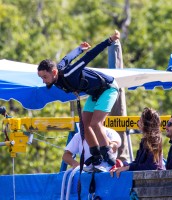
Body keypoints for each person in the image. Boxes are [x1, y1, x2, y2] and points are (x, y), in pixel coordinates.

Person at [37, 30, 120, 168]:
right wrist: (79, 49)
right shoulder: (56, 75)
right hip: (94, 93)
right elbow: (66, 58)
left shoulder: (69, 73)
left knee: (95, 123)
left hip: (108, 88)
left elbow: (89, 56)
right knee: (84, 125)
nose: (43, 81)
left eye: (45, 77)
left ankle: (107, 152)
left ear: (54, 72)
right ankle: (96, 155)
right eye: (41, 78)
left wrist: (109, 41)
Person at [110, 107, 164, 178]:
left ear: (146, 124)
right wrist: (124, 165)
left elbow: (151, 166)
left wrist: (128, 168)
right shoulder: (145, 140)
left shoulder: (154, 141)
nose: (138, 123)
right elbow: (138, 163)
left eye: (140, 120)